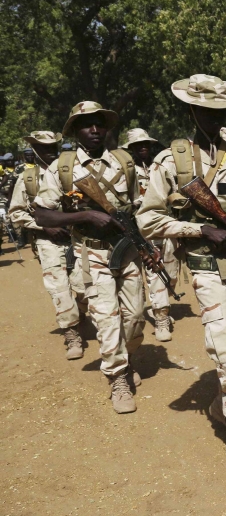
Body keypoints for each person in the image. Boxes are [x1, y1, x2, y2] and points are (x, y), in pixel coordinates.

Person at [136, 75, 226, 484]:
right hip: (208, 271)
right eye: (205, 111)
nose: (214, 118)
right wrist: (200, 231)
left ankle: (222, 403)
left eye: (220, 111)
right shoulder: (172, 160)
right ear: (191, 111)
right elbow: (147, 219)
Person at [34, 102, 148, 414]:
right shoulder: (63, 168)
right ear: (76, 131)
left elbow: (143, 205)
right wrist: (84, 215)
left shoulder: (125, 163)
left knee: (136, 317)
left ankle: (126, 355)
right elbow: (42, 214)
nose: (94, 130)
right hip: (90, 252)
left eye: (99, 123)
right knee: (107, 317)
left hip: (127, 250)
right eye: (86, 125)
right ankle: (118, 377)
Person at [8, 131, 87, 360]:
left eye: (53, 146)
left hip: (78, 238)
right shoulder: (27, 178)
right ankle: (72, 335)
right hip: (48, 241)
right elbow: (16, 213)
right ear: (34, 150)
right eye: (43, 148)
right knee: (60, 289)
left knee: (83, 287)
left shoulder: (73, 170)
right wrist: (43, 227)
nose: (50, 151)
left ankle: (81, 314)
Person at [123, 128, 180, 342]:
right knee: (155, 272)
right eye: (138, 145)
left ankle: (159, 304)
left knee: (171, 273)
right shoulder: (127, 171)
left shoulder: (160, 167)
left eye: (145, 144)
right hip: (140, 229)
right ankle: (161, 318)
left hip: (165, 225)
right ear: (131, 149)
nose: (143, 148)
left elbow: (174, 191)